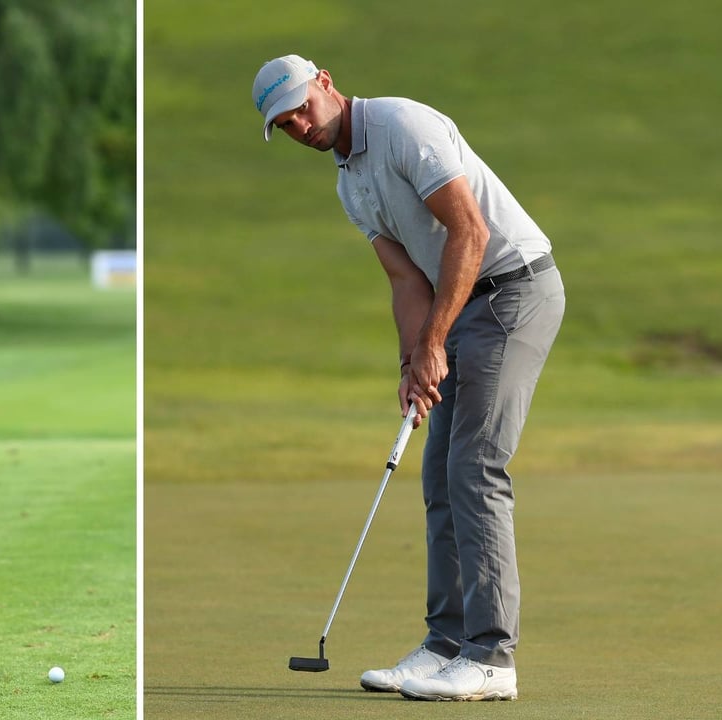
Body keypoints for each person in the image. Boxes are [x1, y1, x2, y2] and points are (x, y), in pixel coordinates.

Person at [253, 54, 565, 701]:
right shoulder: (348, 182)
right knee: (438, 475)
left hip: (513, 293)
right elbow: (405, 279)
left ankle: (491, 658)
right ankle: (446, 643)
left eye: (301, 109)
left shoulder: (401, 125)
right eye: (284, 125)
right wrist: (412, 364)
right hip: (462, 304)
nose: (300, 127)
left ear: (327, 84)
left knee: (475, 468)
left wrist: (433, 345)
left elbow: (469, 231)